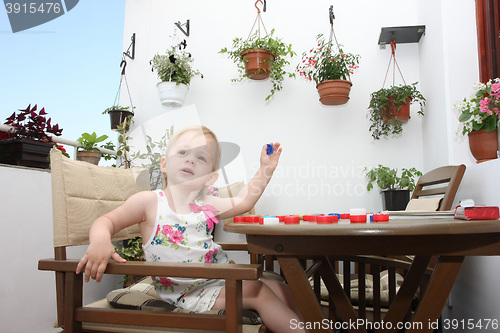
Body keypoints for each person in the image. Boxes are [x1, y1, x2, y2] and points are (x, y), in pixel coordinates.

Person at [76, 125, 307, 333]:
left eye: (201, 158)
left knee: (280, 287)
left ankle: (310, 324)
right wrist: (99, 241)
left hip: (220, 277)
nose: (191, 160)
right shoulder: (148, 202)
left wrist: (266, 169)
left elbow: (244, 201)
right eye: (183, 153)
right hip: (188, 291)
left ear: (210, 178)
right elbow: (105, 221)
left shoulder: (206, 203)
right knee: (259, 291)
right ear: (165, 164)